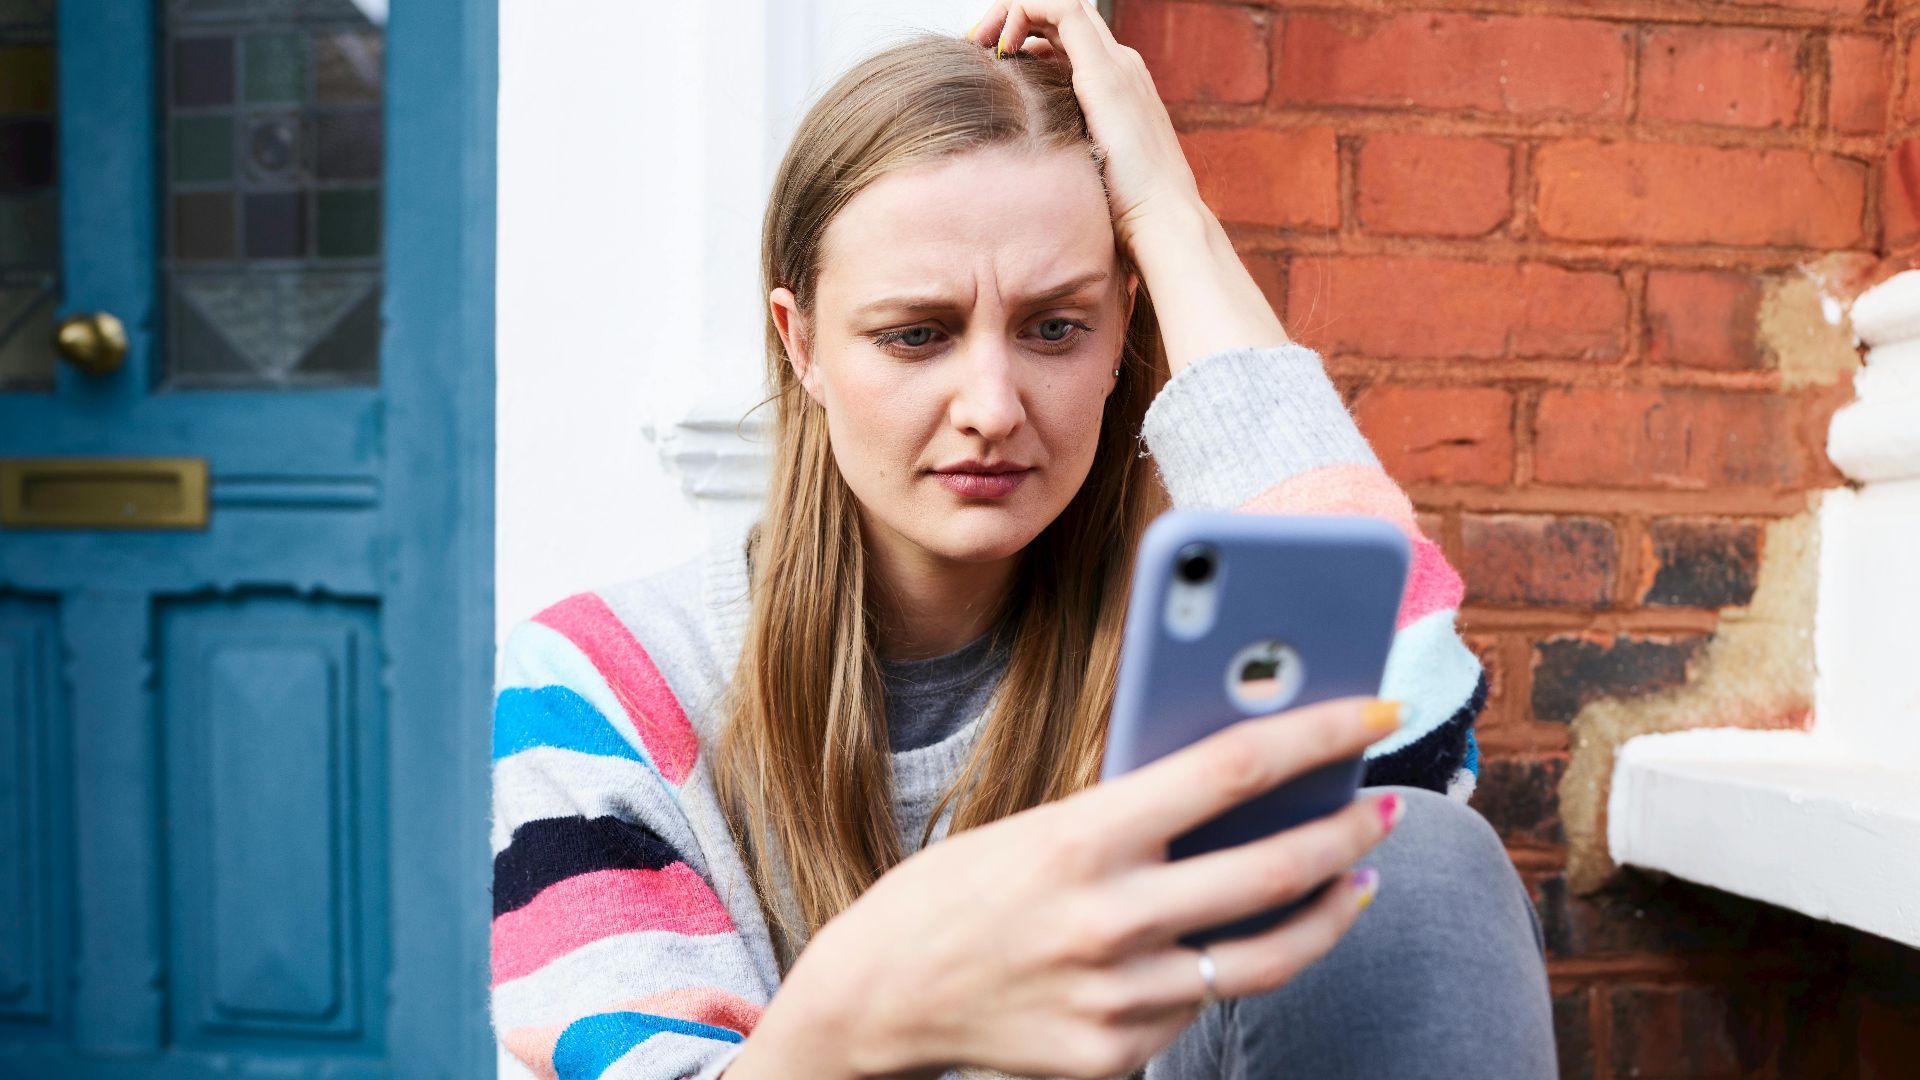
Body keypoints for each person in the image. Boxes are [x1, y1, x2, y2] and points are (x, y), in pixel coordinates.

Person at [489, 3, 1555, 1078]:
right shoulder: (604, 685)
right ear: (799, 341)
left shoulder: (1206, 661)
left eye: (1057, 326)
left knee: (1415, 853)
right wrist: (868, 1010)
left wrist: (1171, 217)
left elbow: (1405, 771)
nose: (992, 405)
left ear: (1120, 330)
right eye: (918, 334)